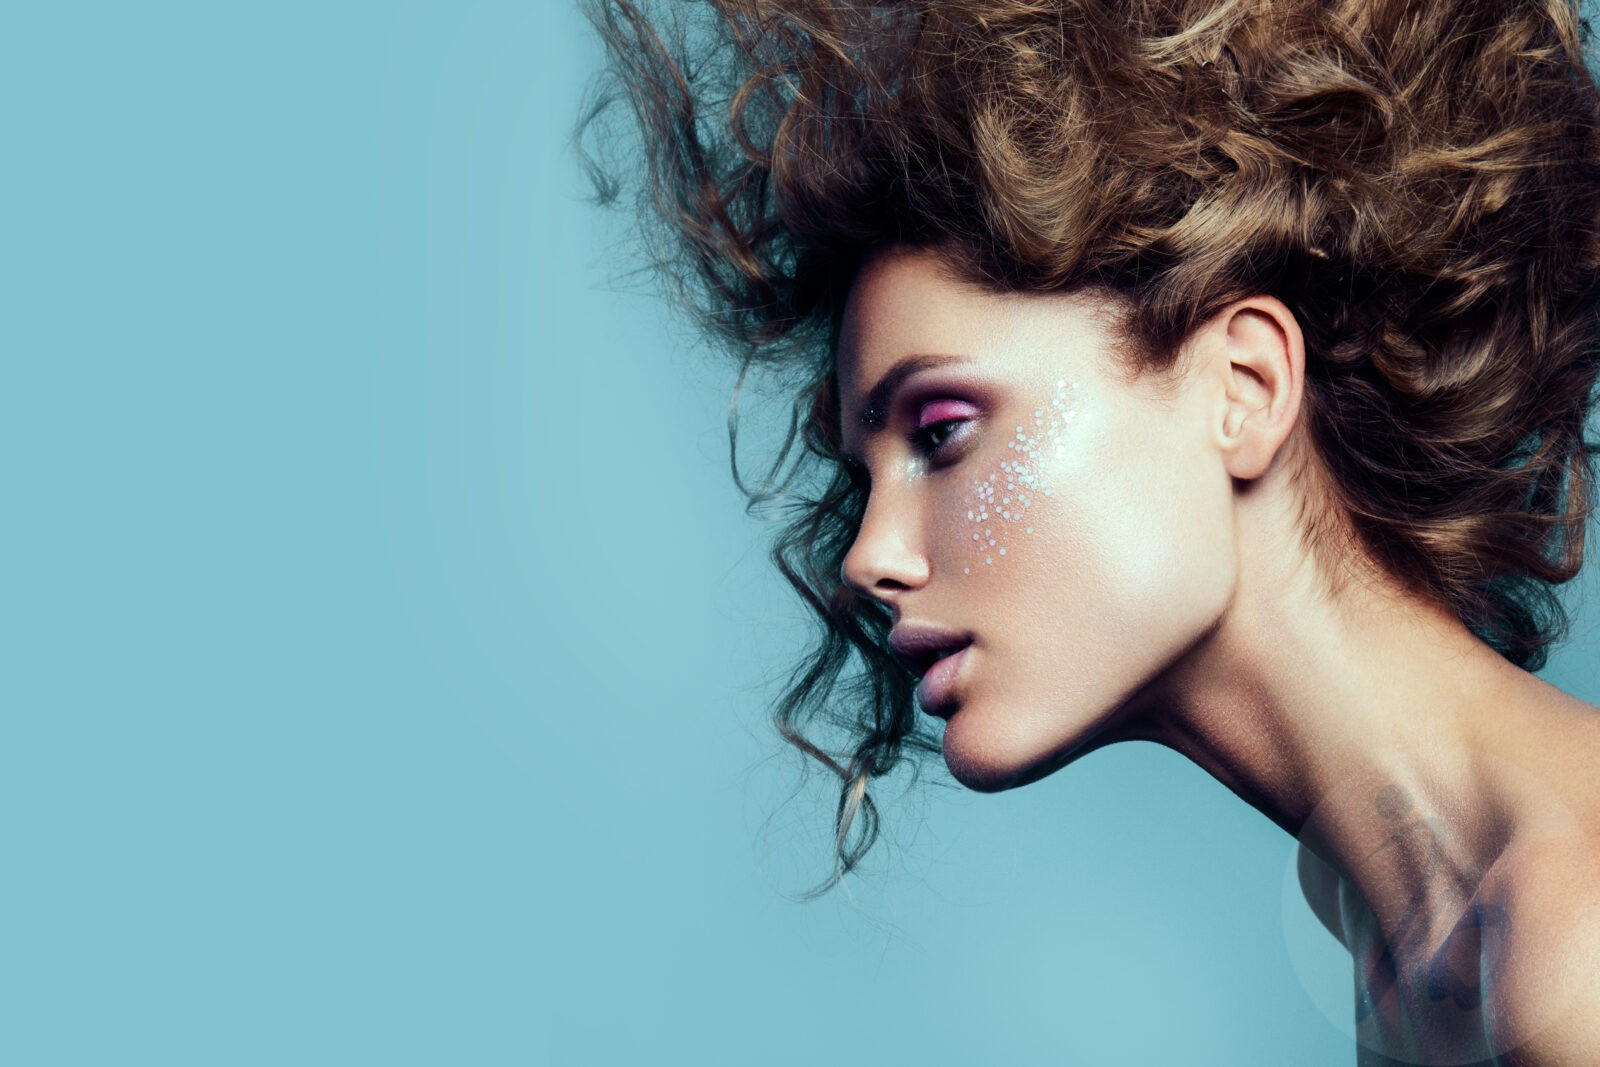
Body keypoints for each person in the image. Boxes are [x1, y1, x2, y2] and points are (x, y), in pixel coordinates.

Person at [581, 0, 1600, 1061]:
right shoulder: (1421, 961)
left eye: (942, 431)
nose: (867, 557)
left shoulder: (1571, 934)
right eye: (863, 472)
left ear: (1242, 386)